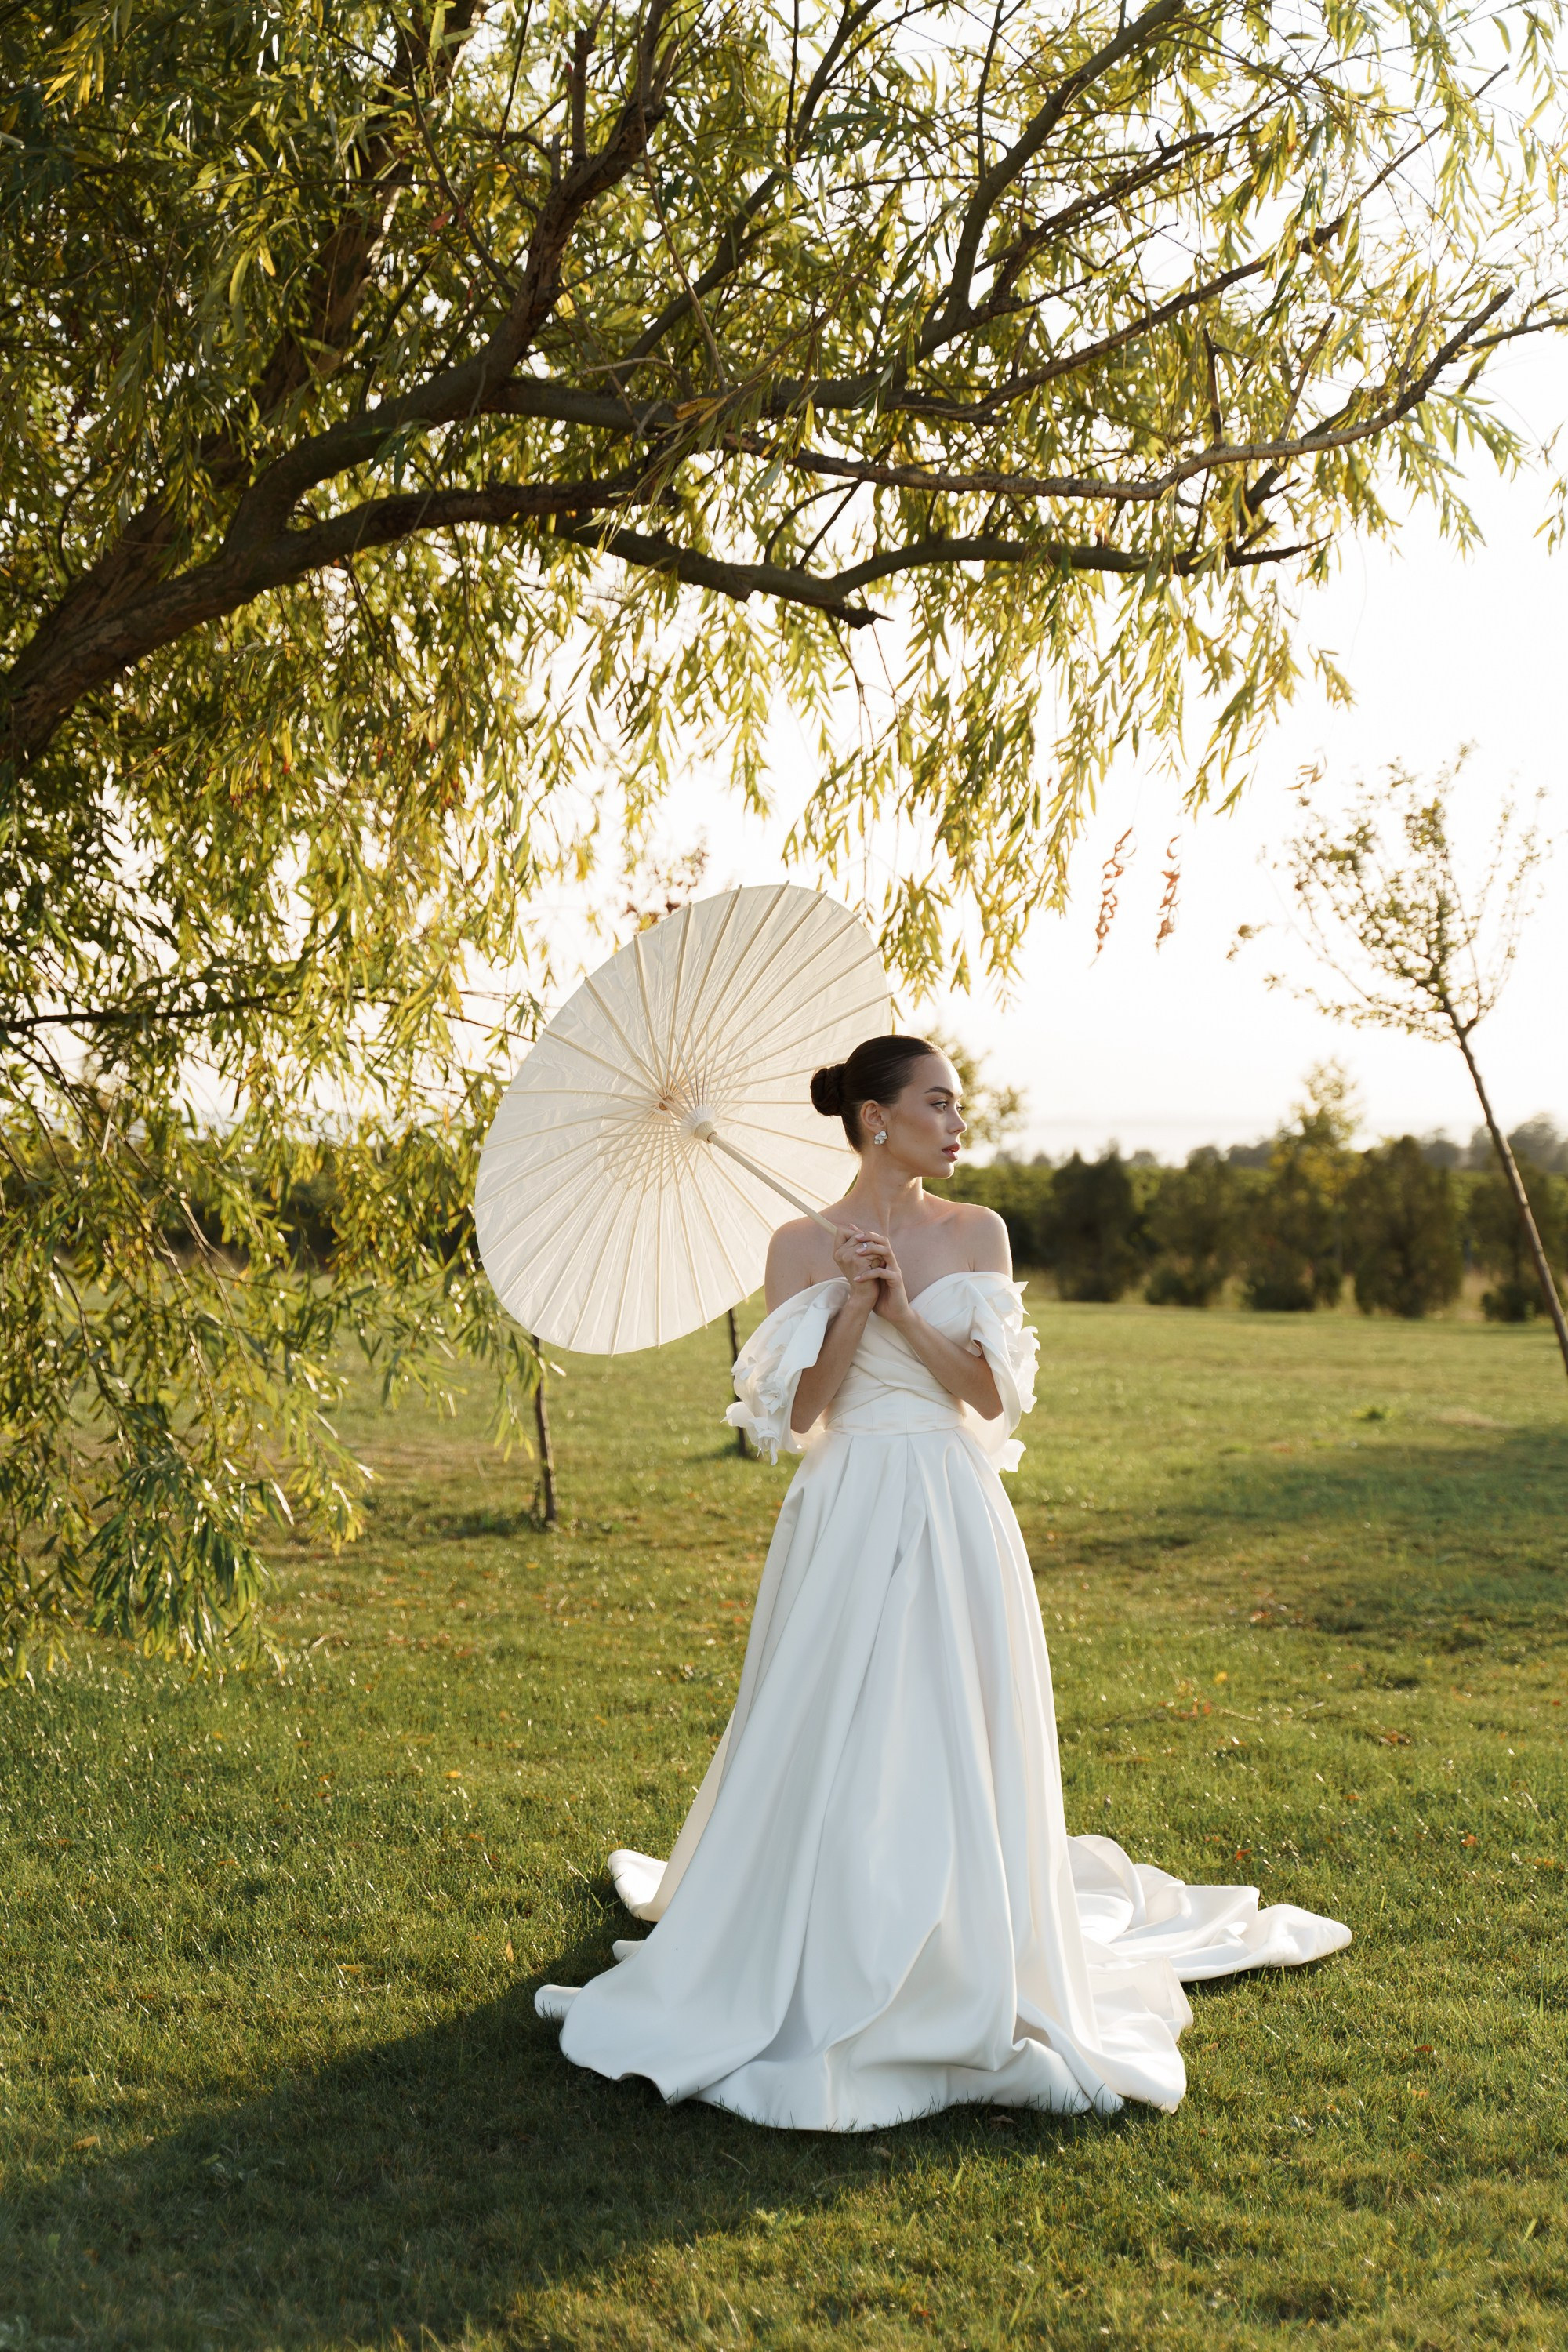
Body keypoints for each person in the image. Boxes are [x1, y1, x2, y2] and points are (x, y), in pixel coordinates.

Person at [535, 1036, 1348, 2128]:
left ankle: (963, 1933)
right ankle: (824, 1927)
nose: (959, 1125)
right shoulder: (795, 1244)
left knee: (954, 1717)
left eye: (959, 1108)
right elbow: (805, 1414)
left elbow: (991, 1400)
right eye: (938, 1104)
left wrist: (911, 1312)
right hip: (846, 1504)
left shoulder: (979, 1234)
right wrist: (856, 1303)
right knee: (838, 1716)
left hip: (954, 1504)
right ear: (877, 1118)